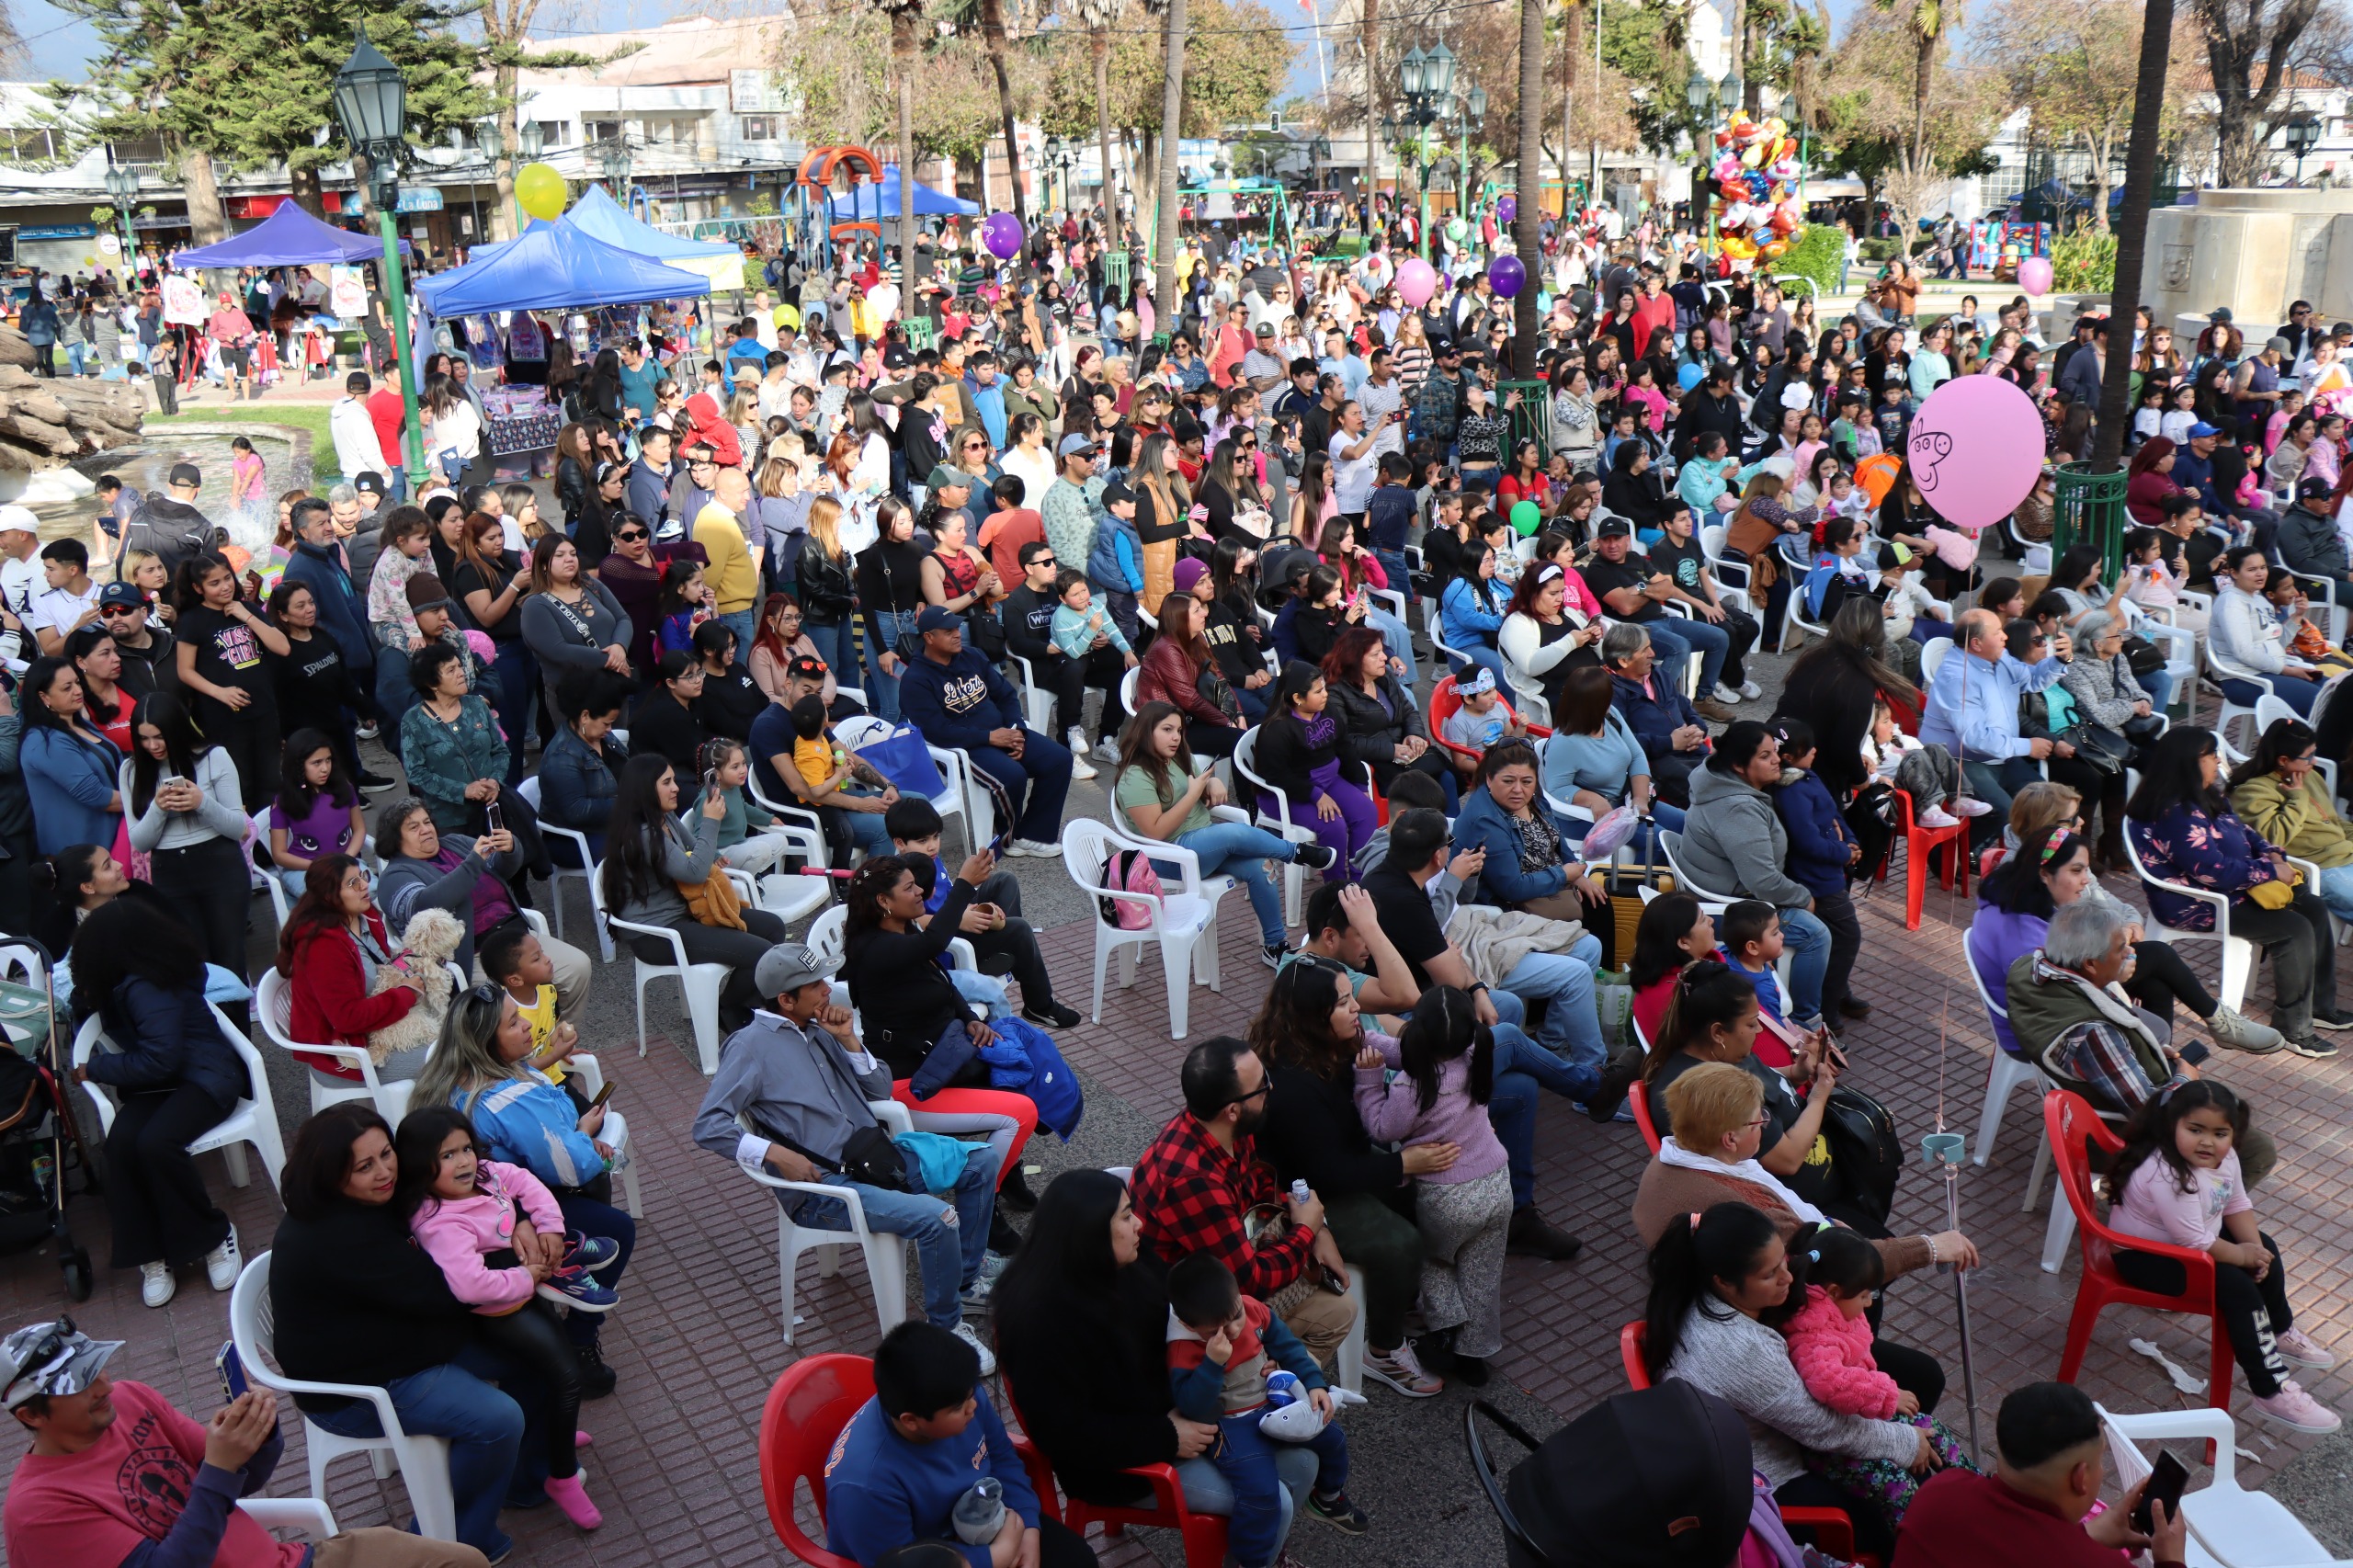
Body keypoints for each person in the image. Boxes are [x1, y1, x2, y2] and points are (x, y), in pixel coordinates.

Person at [693, 943, 1003, 1371]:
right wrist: (774, 1153)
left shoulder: (820, 1028)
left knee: (982, 1161)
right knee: (938, 1219)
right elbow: (708, 1125)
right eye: (816, 984)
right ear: (785, 1000)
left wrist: (850, 1040)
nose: (827, 989)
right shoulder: (749, 1047)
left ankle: (964, 1282)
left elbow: (878, 1090)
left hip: (876, 1161)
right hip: (825, 1188)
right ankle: (945, 1331)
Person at [0, 1315, 491, 1568]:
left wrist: (258, 1435)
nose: (104, 1385)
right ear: (30, 1415)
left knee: (460, 1561)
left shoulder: (130, 1400)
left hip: (291, 1561)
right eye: (80, 1385)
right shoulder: (40, 1511)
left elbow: (243, 1480)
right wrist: (217, 1471)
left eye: (95, 1368)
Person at [268, 1103, 540, 1558]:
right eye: (365, 1166)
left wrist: (520, 1217)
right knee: (498, 1419)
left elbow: (477, 1189)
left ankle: (524, 1477)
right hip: (356, 1388)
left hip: (394, 1341)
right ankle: (453, 1543)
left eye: (387, 1154)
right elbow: (444, 1297)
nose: (385, 1173)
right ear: (333, 1173)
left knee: (530, 1356)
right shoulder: (341, 1236)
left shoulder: (356, 1201)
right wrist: (515, 1269)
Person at [1640, 1201, 1946, 1560]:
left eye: (1783, 1260)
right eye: (1770, 1275)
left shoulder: (1703, 1295)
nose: (1788, 1277)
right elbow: (1820, 1428)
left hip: (1778, 1436)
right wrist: (1903, 1442)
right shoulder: (1738, 1349)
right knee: (1908, 1500)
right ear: (1724, 1282)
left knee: (1922, 1390)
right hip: (1769, 1485)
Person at [414, 985, 634, 1398]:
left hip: (473, 1206)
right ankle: (579, 1338)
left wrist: (546, 1059)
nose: (527, 1025)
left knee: (595, 1198)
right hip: (498, 1219)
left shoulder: (453, 1076)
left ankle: (567, 1272)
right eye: (513, 1022)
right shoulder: (505, 1100)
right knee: (618, 1227)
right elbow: (570, 1167)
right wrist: (584, 1133)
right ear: (484, 1043)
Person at [395, 1107, 608, 1529]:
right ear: (421, 1165)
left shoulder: (484, 1176)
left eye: (466, 1149)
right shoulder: (439, 1222)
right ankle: (561, 1477)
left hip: (522, 1289)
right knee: (567, 1377)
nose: (464, 1162)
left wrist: (546, 1224)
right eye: (447, 1156)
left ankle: (553, 1439)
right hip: (499, 1310)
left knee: (558, 1362)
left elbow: (524, 1181)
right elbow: (471, 1287)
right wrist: (528, 1276)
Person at [1128, 1035, 1361, 1369]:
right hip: (1191, 1313)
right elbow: (1250, 1280)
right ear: (1233, 1111)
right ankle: (1250, 1392)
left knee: (1340, 1307)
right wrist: (1306, 1232)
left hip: (1223, 1269)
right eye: (1263, 1085)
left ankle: (1267, 1372)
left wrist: (1319, 1229)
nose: (1271, 1088)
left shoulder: (1224, 1129)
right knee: (1338, 1314)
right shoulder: (1193, 1182)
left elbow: (1264, 1189)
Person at [1972, 824, 2280, 1061]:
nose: (2085, 880)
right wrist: (2112, 976)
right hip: (2041, 1034)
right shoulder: (2023, 933)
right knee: (2157, 960)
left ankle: (2163, 1061)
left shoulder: (2017, 901)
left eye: (2086, 870)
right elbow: (2054, 999)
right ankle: (2198, 1037)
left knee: (2156, 982)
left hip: (2048, 1010)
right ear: (2043, 873)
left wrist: (2113, 958)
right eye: (2076, 871)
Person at [2126, 726, 2347, 1055]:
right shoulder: (2173, 813)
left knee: (2312, 907)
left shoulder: (2204, 793)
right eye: (2211, 755)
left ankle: (2318, 1006)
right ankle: (2293, 1028)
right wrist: (2271, 870)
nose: (2219, 760)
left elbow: (2245, 831)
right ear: (2188, 762)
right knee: (2293, 929)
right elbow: (2213, 872)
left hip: (2242, 887)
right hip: (2199, 900)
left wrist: (2272, 852)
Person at [67, 897, 244, 1308]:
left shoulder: (146, 985)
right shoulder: (137, 976)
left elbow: (159, 1059)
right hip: (162, 1084)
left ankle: (215, 1235)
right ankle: (152, 1254)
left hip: (206, 1080)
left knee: (156, 1144)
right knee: (119, 1147)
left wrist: (98, 1069)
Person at [823, 1321, 1093, 1568]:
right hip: (930, 1556)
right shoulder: (866, 1487)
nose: (973, 1405)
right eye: (959, 1406)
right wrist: (995, 1557)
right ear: (912, 1421)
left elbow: (1002, 1457)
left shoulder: (959, 1394)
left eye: (972, 1392)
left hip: (984, 1520)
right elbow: (902, 1561)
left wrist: (1029, 1528)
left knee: (1078, 1560)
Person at [1352, 986, 1512, 1386]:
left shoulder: (1410, 1087)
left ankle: (1444, 1334)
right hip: (1496, 1185)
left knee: (1432, 1260)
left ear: (1418, 1030)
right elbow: (1407, 1052)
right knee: (1481, 1273)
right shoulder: (1475, 1057)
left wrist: (1370, 1081)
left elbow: (1381, 1128)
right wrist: (1367, 1041)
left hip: (1448, 1196)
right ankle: (1473, 1356)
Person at [1166, 1253, 1367, 1566]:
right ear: (1187, 1325)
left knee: (1332, 1437)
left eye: (1235, 1317)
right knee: (1260, 1495)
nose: (1232, 1331)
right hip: (1230, 1428)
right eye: (1214, 1330)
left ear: (1238, 1296)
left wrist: (1314, 1383)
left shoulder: (1252, 1308)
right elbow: (1194, 1407)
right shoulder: (1182, 1349)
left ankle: (1326, 1497)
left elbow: (1287, 1346)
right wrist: (1212, 1363)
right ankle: (1253, 1560)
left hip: (1272, 1404)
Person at [1115, 700, 1335, 969]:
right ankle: (1296, 852)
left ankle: (1275, 946)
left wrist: (1212, 781)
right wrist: (1195, 792)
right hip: (1170, 854)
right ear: (1146, 731)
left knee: (1260, 867)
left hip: (1205, 843)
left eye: (1180, 730)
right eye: (1167, 729)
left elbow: (1201, 782)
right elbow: (1156, 831)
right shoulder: (1135, 777)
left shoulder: (1176, 758)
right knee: (1233, 833)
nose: (1176, 737)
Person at [1893, 1381, 2190, 1568]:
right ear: (2081, 1477)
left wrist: (2087, 1536)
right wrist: (2171, 1561)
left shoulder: (1939, 1492)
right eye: (2101, 1460)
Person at [598, 754, 786, 1032]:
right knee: (763, 953)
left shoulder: (665, 817)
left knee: (773, 927)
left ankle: (734, 1003)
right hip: (657, 934)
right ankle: (727, 1009)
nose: (676, 787)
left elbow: (699, 855)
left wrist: (710, 849)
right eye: (667, 782)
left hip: (687, 912)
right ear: (645, 789)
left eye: (674, 780)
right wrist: (711, 822)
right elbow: (695, 871)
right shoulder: (643, 834)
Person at [1680, 722, 1843, 1028]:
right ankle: (1805, 1023)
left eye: (1775, 752)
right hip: (1731, 907)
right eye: (1765, 756)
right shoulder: (1738, 810)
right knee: (1815, 934)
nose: (1777, 761)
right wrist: (1803, 898)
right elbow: (1764, 882)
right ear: (1740, 766)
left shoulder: (1716, 778)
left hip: (1723, 886)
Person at [896, 604, 1072, 858]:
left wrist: (1016, 729)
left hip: (1003, 733)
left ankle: (1034, 834)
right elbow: (937, 731)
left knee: (1059, 759)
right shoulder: (916, 679)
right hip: (963, 749)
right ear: (929, 638)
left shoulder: (972, 656)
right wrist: (989, 737)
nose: (957, 634)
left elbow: (1006, 695)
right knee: (1012, 776)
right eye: (948, 631)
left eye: (957, 628)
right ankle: (1010, 838)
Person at [119, 688, 250, 983]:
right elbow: (140, 842)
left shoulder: (214, 757)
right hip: (170, 872)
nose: (152, 745)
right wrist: (158, 808)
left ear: (176, 729)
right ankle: (208, 1029)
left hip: (220, 866)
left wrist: (201, 803)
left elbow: (237, 828)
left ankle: (237, 1028)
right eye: (143, 738)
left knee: (230, 962)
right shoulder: (131, 770)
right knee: (193, 965)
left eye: (159, 736)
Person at [1764, 719, 1866, 1027]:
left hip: (1832, 871)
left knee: (1840, 937)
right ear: (1789, 758)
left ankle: (1837, 989)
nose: (1815, 752)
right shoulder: (1790, 793)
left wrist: (1851, 840)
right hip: (1817, 880)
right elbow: (1806, 842)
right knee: (1847, 936)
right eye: (1808, 749)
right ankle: (1828, 1010)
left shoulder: (1806, 777)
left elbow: (1833, 811)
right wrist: (1844, 853)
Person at [173, 551, 286, 812]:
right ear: (197, 588)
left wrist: (246, 614)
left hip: (264, 710)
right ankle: (247, 844)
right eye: (215, 583)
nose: (225, 586)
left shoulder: (245, 609)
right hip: (225, 718)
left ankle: (271, 838)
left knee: (271, 780)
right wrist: (220, 692)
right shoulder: (192, 621)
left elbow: (282, 647)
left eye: (227, 578)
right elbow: (185, 671)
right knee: (239, 783)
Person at [1252, 659, 1376, 876]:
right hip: (1286, 793)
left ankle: (1360, 880)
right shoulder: (1277, 729)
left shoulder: (1328, 712)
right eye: (1318, 691)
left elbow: (1345, 748)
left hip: (1329, 781)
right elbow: (1276, 776)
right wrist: (1315, 795)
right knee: (1333, 825)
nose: (1326, 694)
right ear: (1298, 698)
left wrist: (1360, 784)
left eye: (1325, 688)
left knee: (1366, 812)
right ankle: (1336, 887)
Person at [1546, 663, 1683, 834]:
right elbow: (1556, 788)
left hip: (1626, 801)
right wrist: (1592, 799)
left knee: (1687, 825)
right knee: (1658, 843)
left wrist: (1640, 798)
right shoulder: (1564, 743)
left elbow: (1637, 755)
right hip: (1588, 816)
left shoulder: (1610, 716)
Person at [1323, 625, 1449, 805]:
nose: (1384, 658)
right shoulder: (1336, 692)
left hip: (1403, 753)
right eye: (1375, 654)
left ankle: (1449, 830)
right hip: (1377, 762)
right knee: (1424, 789)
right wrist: (1392, 750)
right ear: (1355, 660)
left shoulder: (1384, 678)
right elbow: (1344, 741)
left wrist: (1415, 735)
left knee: (1447, 778)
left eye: (1382, 651)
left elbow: (1408, 711)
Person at [2211, 546, 2325, 718]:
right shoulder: (2231, 603)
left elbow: (2276, 644)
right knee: (2323, 704)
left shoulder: (2258, 599)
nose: (2260, 574)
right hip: (2244, 679)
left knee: (2337, 691)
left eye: (2263, 568)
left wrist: (2297, 616)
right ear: (2234, 573)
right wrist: (2287, 670)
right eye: (2252, 570)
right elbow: (2244, 651)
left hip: (2272, 670)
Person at [540, 669, 631, 863]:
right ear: (584, 716)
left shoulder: (601, 736)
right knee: (642, 848)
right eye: (606, 723)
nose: (610, 730)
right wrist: (630, 803)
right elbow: (577, 810)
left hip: (611, 823)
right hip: (573, 838)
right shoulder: (561, 756)